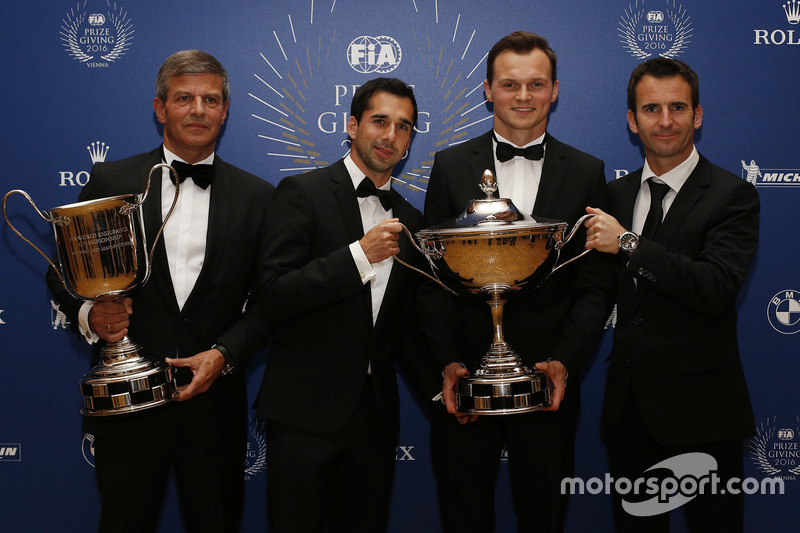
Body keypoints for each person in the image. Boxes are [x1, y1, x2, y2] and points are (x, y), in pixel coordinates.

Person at [47, 49, 274, 532]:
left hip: (214, 408)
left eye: (210, 99)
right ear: (159, 107)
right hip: (127, 406)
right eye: (184, 98)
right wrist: (90, 315)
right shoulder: (112, 180)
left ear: (225, 110)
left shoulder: (259, 196)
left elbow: (272, 299)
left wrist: (225, 354)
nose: (198, 110)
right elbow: (61, 271)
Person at [422, 31, 612, 532]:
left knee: (545, 520)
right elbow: (434, 282)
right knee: (464, 519)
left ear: (555, 91)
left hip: (547, 386)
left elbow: (594, 286)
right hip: (468, 385)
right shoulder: (448, 165)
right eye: (510, 84)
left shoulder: (589, 171)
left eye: (536, 84)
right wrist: (449, 363)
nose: (523, 97)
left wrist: (564, 363)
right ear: (488, 89)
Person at [255, 77, 437, 533]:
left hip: (374, 423)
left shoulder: (411, 220)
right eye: (380, 121)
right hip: (304, 416)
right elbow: (274, 295)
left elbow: (402, 328)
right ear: (352, 125)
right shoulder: (301, 192)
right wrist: (358, 256)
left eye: (404, 126)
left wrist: (442, 388)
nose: (390, 135)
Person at [584, 57, 759, 531]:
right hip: (629, 414)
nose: (665, 121)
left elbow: (715, 288)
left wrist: (628, 242)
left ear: (697, 115)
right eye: (651, 109)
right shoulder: (614, 197)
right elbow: (595, 295)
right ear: (631, 120)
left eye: (678, 107)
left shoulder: (732, 195)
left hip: (705, 412)